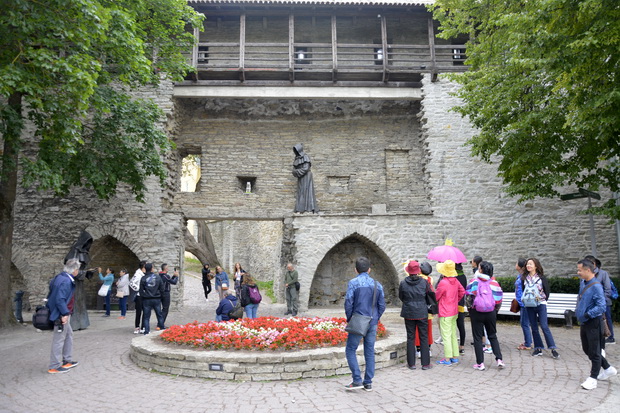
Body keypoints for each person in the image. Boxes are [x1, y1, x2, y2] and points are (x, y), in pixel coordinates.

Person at [344, 257, 386, 392]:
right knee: (369, 351)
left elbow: (348, 302)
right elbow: (382, 305)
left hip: (358, 319)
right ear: (369, 269)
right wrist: (375, 318)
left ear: (355, 269)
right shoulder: (377, 284)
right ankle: (368, 382)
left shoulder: (353, 283)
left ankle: (357, 379)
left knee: (350, 349)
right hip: (372, 320)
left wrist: (351, 318)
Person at [575, 259, 617, 390]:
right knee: (587, 349)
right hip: (584, 322)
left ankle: (593, 378)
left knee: (595, 350)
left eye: (580, 270)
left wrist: (588, 314)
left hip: (593, 322)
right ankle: (608, 368)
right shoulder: (583, 282)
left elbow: (601, 306)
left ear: (588, 270)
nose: (578, 272)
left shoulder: (596, 286)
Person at [465, 261, 504, 371]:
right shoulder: (494, 283)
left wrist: (470, 309)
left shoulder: (474, 282)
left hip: (476, 312)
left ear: (480, 270)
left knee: (477, 338)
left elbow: (467, 297)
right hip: (491, 312)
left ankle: (480, 363)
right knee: (492, 335)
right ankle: (499, 359)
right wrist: (495, 311)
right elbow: (499, 299)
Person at [47, 258, 80, 374]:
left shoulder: (59, 277)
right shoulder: (66, 281)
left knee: (68, 334)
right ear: (74, 270)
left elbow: (51, 291)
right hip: (61, 313)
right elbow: (60, 299)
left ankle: (67, 360)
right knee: (59, 338)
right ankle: (54, 365)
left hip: (60, 311)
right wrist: (64, 314)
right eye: (78, 269)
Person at [399, 260, 434, 370]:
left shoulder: (403, 283)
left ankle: (411, 364)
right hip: (421, 311)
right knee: (424, 337)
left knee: (411, 337)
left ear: (409, 271)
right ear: (418, 271)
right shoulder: (424, 282)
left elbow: (401, 296)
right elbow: (429, 295)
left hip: (409, 311)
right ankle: (425, 364)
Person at [522, 258, 559, 359]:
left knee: (544, 326)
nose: (528, 266)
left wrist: (542, 299)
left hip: (541, 304)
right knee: (534, 327)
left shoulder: (542, 278)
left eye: (530, 264)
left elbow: (547, 291)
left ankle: (552, 348)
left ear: (536, 266)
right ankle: (538, 348)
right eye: (527, 264)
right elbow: (523, 290)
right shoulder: (525, 278)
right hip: (529, 305)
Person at [435, 260, 465, 366]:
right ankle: (454, 356)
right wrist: (455, 300)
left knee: (446, 335)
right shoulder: (455, 281)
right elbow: (462, 291)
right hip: (454, 310)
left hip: (445, 311)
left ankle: (447, 358)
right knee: (452, 334)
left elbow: (436, 296)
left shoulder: (443, 282)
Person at [584, 256, 615, 345]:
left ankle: (611, 336)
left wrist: (601, 301)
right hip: (591, 304)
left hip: (603, 302)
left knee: (606, 319)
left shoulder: (603, 274)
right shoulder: (585, 275)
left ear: (593, 264)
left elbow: (607, 289)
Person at [139, 263, 165, 335]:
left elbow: (141, 290)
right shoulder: (157, 277)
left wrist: (143, 297)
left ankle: (147, 331)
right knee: (159, 315)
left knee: (146, 317)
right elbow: (162, 289)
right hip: (156, 298)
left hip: (147, 299)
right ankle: (162, 329)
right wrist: (162, 297)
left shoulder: (143, 278)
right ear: (151, 269)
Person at [292, 143, 319, 213]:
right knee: (301, 192)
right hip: (301, 178)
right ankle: (300, 209)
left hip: (306, 177)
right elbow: (294, 169)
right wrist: (295, 172)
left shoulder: (305, 157)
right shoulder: (297, 159)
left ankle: (308, 209)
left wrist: (296, 171)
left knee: (307, 192)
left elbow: (306, 168)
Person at [415, 262, 434, 357]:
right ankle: (428, 349)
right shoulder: (431, 279)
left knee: (418, 330)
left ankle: (419, 350)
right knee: (428, 330)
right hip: (428, 310)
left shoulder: (418, 279)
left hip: (419, 309)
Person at [514, 258, 532, 350]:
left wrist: (521, 303)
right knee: (524, 323)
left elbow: (523, 291)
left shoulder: (524, 277)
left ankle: (528, 344)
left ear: (520, 266)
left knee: (524, 323)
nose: (515, 264)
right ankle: (527, 341)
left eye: (516, 263)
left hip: (524, 304)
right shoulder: (521, 276)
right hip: (522, 303)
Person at [130, 261, 146, 334]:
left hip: (144, 295)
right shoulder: (138, 274)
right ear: (143, 267)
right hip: (139, 295)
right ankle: (137, 327)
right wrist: (138, 288)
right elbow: (131, 283)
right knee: (139, 312)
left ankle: (143, 327)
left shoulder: (144, 274)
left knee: (145, 311)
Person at [455, 262, 468, 355]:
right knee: (461, 326)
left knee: (451, 326)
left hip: (452, 305)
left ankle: (453, 346)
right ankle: (462, 346)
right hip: (461, 304)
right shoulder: (463, 277)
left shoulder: (453, 277)